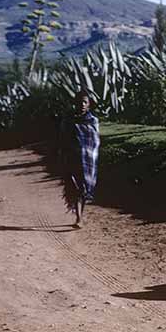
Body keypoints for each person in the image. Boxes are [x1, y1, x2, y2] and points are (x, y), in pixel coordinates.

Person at [59, 90, 100, 228]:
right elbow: (62, 139)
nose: (82, 104)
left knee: (82, 188)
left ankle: (79, 216)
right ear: (74, 103)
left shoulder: (93, 120)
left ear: (89, 105)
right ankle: (79, 218)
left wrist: (86, 152)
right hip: (71, 158)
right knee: (75, 187)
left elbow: (94, 142)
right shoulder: (68, 120)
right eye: (79, 102)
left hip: (87, 161)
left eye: (85, 102)